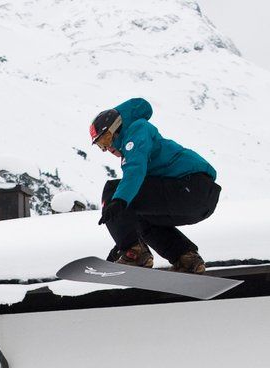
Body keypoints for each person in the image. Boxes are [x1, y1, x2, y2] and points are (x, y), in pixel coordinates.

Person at [90, 97, 221, 273]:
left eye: (106, 139)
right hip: (198, 197)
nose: (107, 148)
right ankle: (186, 257)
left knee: (113, 191)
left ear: (116, 128)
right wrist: (121, 242)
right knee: (142, 217)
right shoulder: (135, 146)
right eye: (101, 145)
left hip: (192, 187)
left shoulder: (136, 129)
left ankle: (135, 254)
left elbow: (135, 170)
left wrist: (119, 201)